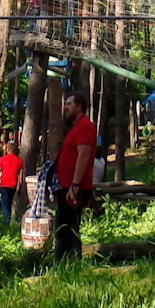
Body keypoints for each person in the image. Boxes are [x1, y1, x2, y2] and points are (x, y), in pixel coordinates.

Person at [53, 88, 98, 260]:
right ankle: (63, 262)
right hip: (67, 186)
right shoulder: (77, 127)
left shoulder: (85, 126)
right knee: (63, 227)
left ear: (79, 106)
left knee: (69, 227)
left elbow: (83, 156)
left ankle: (70, 263)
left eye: (69, 104)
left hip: (73, 188)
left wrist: (75, 184)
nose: (66, 107)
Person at [0, 138, 24, 226]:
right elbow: (20, 177)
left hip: (3, 185)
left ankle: (6, 223)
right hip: (13, 185)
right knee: (9, 203)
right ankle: (9, 221)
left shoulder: (2, 159)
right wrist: (19, 188)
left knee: (5, 204)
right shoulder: (19, 161)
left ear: (7, 149)